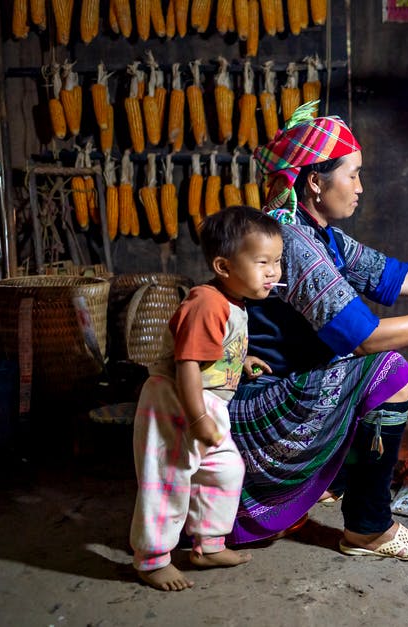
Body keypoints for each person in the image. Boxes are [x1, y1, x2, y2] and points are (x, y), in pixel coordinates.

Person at [225, 101, 408, 560]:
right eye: (352, 175)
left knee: (359, 370)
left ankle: (328, 479)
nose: (360, 187)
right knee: (387, 372)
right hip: (264, 408)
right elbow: (366, 338)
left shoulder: (319, 234)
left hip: (294, 391)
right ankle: (368, 527)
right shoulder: (293, 242)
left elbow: (393, 277)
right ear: (315, 182)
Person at [130, 206, 283, 591]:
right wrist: (198, 419)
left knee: (226, 468)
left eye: (277, 262)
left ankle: (208, 544)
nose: (273, 272)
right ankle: (151, 559)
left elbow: (210, 350)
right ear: (224, 265)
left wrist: (239, 359)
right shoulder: (207, 302)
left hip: (206, 402)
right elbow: (187, 363)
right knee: (168, 476)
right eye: (262, 262)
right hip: (178, 399)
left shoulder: (233, 302)